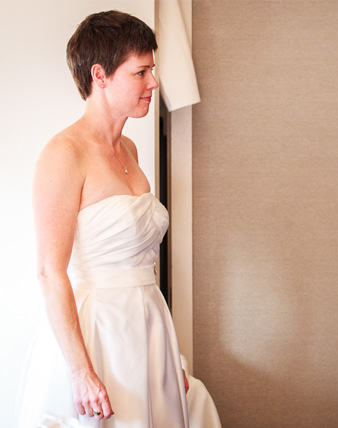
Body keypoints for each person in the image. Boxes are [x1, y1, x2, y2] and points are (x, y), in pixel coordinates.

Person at [19, 10, 188, 427]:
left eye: (154, 70)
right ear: (101, 74)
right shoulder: (64, 153)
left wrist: (168, 355)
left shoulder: (129, 148)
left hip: (148, 325)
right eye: (141, 72)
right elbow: (48, 271)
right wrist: (80, 371)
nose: (154, 83)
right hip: (101, 332)